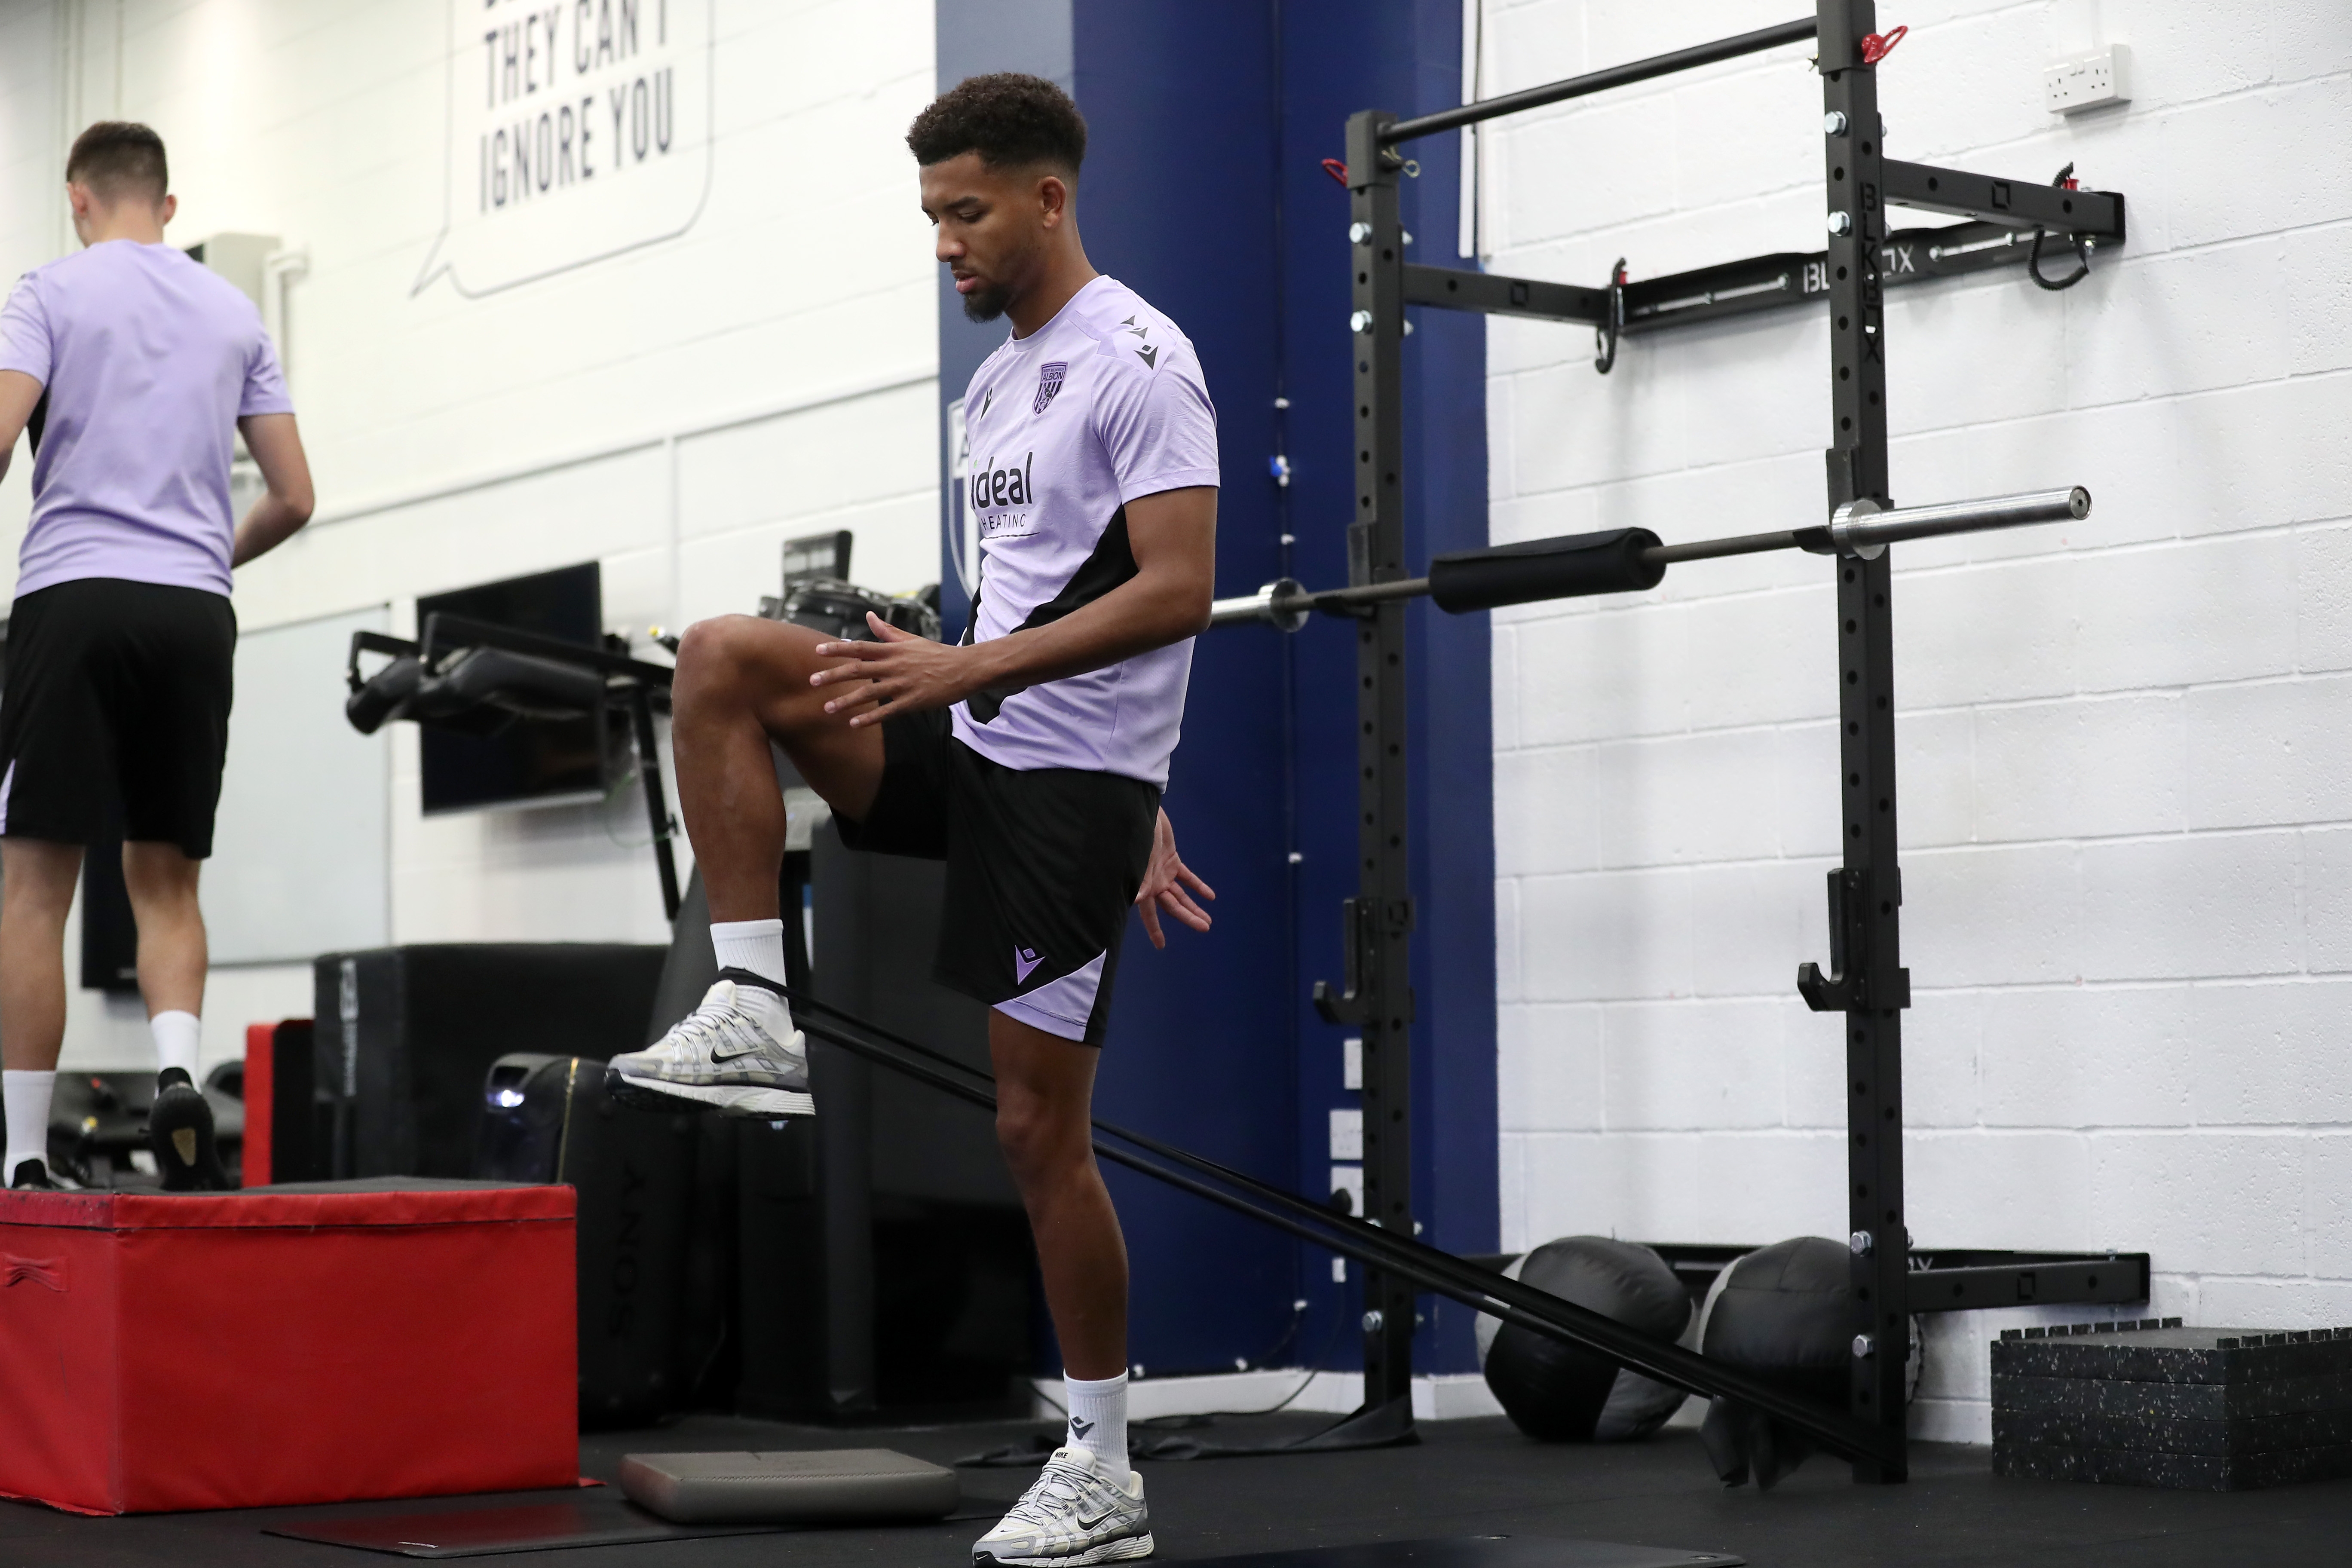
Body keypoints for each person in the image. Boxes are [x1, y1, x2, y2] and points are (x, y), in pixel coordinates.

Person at [604, 74, 1215, 1565]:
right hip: (981, 735)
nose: (945, 242)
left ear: (1048, 199)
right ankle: (754, 1000)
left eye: (967, 212)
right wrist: (937, 650)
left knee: (1033, 1129)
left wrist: (1131, 784)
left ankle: (1104, 1464)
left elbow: (1176, 586)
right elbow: (1036, 590)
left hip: (1065, 786)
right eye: (931, 215)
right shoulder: (995, 385)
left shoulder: (1142, 359)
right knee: (724, 660)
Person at [0, 122, 315, 1193]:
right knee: (167, 880)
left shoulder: (47, 291)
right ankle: (180, 1076)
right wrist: (203, 557)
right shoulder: (234, 310)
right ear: (168, 208)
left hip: (73, 595)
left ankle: (26, 1157)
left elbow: (0, 440)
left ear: (77, 199)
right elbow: (297, 497)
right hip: (193, 609)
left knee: (35, 888)